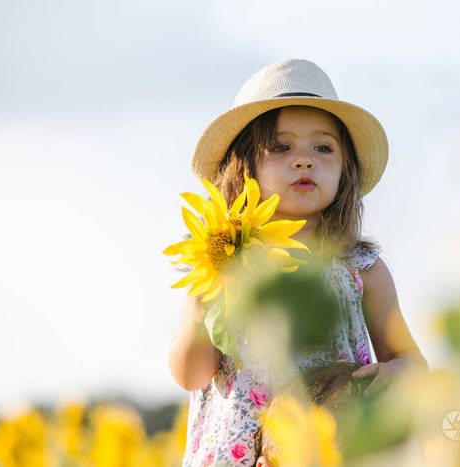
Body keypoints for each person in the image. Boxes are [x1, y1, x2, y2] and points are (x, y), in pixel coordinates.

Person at [167, 58, 427, 467]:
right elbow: (190, 376)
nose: (304, 160)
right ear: (245, 164)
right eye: (281, 147)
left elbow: (411, 360)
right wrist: (201, 312)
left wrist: (397, 374)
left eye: (323, 148)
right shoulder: (224, 262)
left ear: (346, 170)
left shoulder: (362, 268)